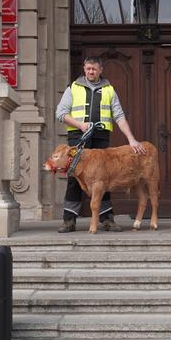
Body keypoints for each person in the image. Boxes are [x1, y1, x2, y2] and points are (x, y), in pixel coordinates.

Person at [55, 56, 146, 233]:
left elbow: (119, 116)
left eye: (94, 69)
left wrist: (131, 139)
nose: (91, 72)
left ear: (100, 70)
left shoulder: (109, 90)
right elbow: (60, 113)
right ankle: (69, 220)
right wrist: (80, 125)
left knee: (104, 177)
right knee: (74, 178)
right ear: (84, 68)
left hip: (100, 137)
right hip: (78, 137)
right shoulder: (73, 87)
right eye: (88, 68)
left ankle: (106, 219)